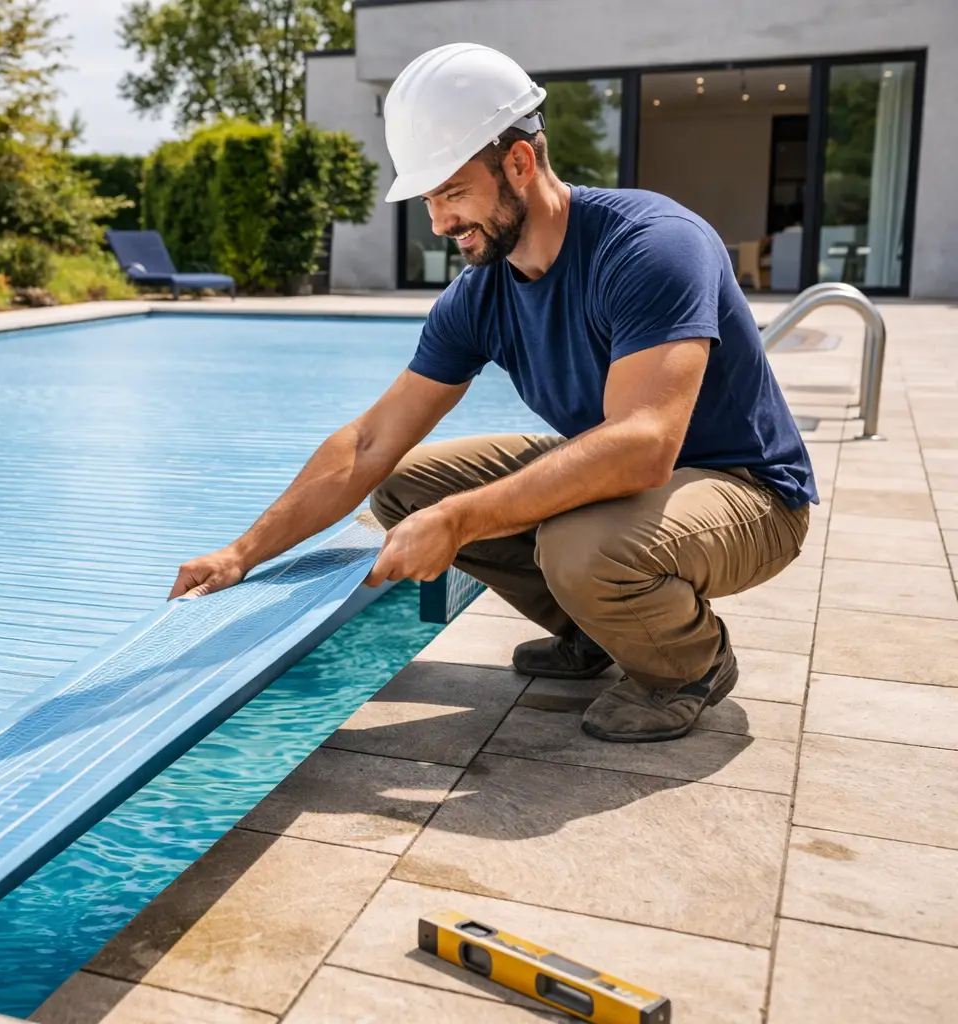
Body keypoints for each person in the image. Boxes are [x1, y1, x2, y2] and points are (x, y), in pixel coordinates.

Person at [167, 42, 815, 744]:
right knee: (406, 487)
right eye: (429, 200)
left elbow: (643, 446)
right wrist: (242, 553)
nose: (439, 224)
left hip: (748, 492)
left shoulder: (651, 246)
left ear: (520, 163)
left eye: (452, 193)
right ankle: (598, 630)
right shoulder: (480, 294)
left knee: (577, 545)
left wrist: (460, 520)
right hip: (628, 480)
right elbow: (369, 441)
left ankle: (688, 665)